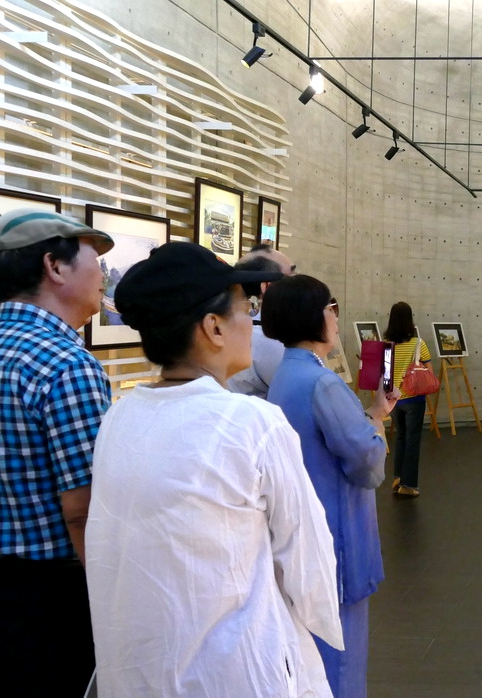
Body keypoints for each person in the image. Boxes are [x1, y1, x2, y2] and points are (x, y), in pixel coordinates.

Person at [84, 242, 343, 696]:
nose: (253, 323)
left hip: (138, 670)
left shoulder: (120, 417)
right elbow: (307, 564)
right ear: (214, 327)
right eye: (247, 310)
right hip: (235, 669)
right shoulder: (252, 423)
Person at [0, 209, 114, 694]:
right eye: (94, 260)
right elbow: (83, 510)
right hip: (51, 597)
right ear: (54, 267)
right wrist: (113, 604)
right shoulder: (66, 365)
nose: (102, 275)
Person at [263, 275, 400, 698]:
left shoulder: (288, 373)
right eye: (330, 309)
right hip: (336, 533)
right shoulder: (322, 382)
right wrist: (377, 427)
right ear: (312, 316)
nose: (336, 319)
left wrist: (374, 412)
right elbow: (365, 460)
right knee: (341, 657)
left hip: (301, 531)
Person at [226, 243, 297, 397]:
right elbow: (306, 394)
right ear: (267, 287)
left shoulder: (235, 325)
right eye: (292, 275)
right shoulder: (269, 337)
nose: (301, 282)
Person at [383, 301, 432, 497]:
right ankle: (409, 485)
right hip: (414, 398)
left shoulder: (386, 344)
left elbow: (384, 372)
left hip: (394, 400)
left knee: (401, 437)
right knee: (413, 440)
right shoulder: (418, 344)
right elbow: (429, 371)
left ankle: (397, 476)